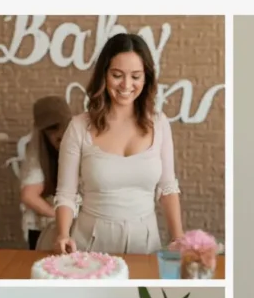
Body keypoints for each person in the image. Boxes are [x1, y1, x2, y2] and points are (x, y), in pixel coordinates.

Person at [51, 32, 185, 255]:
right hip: (90, 242)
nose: (126, 84)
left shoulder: (160, 123)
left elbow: (168, 188)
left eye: (135, 76)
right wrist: (63, 234)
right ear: (103, 75)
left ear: (146, 78)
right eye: (117, 75)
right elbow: (66, 194)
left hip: (145, 241)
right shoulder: (78, 127)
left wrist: (178, 237)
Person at [19, 96, 76, 250]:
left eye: (62, 125)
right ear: (42, 132)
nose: (59, 133)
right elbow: (29, 196)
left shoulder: (77, 144)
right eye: (51, 128)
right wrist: (59, 217)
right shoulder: (37, 154)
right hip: (42, 228)